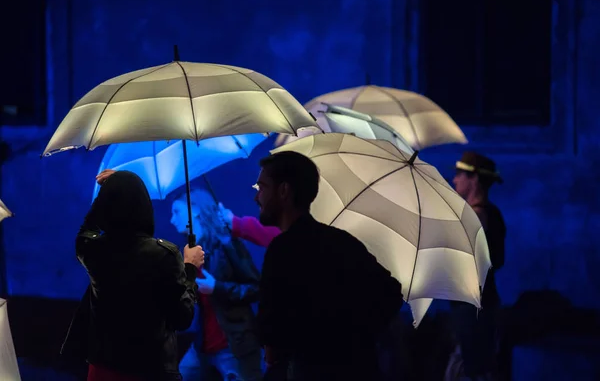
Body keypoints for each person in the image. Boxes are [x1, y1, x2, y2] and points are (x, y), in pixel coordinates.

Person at [255, 151, 404, 381]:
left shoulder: (282, 250)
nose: (257, 198)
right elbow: (391, 292)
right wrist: (357, 336)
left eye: (262, 188)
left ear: (284, 191)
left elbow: (270, 327)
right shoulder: (343, 241)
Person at [64, 170, 205, 381]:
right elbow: (182, 317)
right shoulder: (163, 254)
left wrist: (109, 190)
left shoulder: (92, 250)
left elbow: (86, 229)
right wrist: (190, 268)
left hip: (103, 370)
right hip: (151, 371)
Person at [172, 189, 263, 381]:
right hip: (203, 344)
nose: (172, 220)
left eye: (177, 212)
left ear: (194, 211)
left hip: (233, 344)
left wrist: (217, 288)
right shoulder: (190, 252)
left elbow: (256, 287)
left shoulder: (226, 243)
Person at [445, 152, 507, 381]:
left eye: (460, 174)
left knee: (473, 371)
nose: (455, 180)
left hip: (472, 309)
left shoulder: (477, 217)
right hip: (480, 306)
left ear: (474, 180)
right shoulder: (492, 214)